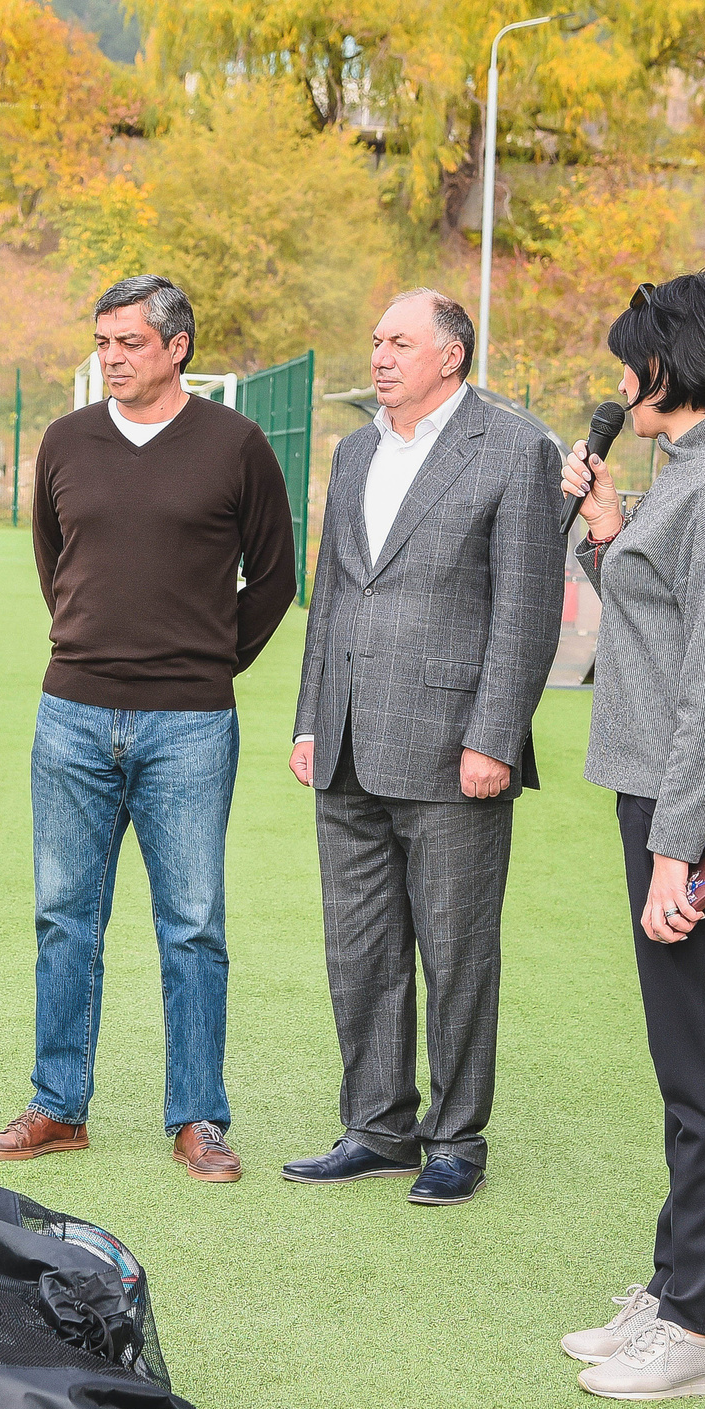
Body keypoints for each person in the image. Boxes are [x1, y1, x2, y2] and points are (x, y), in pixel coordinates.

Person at [0, 274, 299, 1185]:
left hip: (191, 726)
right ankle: (57, 1104)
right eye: (102, 342)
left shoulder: (237, 446)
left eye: (128, 342)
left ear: (177, 345)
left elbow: (273, 579)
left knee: (193, 924)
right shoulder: (66, 441)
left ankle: (198, 1117)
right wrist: (96, 648)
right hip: (71, 714)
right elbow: (57, 561)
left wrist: (201, 662)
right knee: (63, 917)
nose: (111, 358)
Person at [554, 271, 705, 1400]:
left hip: (689, 806)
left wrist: (674, 846)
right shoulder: (694, 476)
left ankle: (698, 1328)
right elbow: (662, 630)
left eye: (627, 365)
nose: (615, 386)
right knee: (681, 1063)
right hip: (666, 797)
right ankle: (673, 1287)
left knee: (703, 1072)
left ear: (670, 369)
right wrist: (607, 534)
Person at [281, 288, 563, 1207]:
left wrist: (494, 736)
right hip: (350, 743)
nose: (379, 355)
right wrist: (310, 718)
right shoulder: (355, 448)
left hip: (454, 752)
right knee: (357, 948)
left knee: (456, 950)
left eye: (399, 341)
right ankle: (377, 1126)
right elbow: (332, 595)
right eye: (374, 340)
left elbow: (526, 608)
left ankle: (456, 1137)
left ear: (451, 354)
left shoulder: (516, 449)